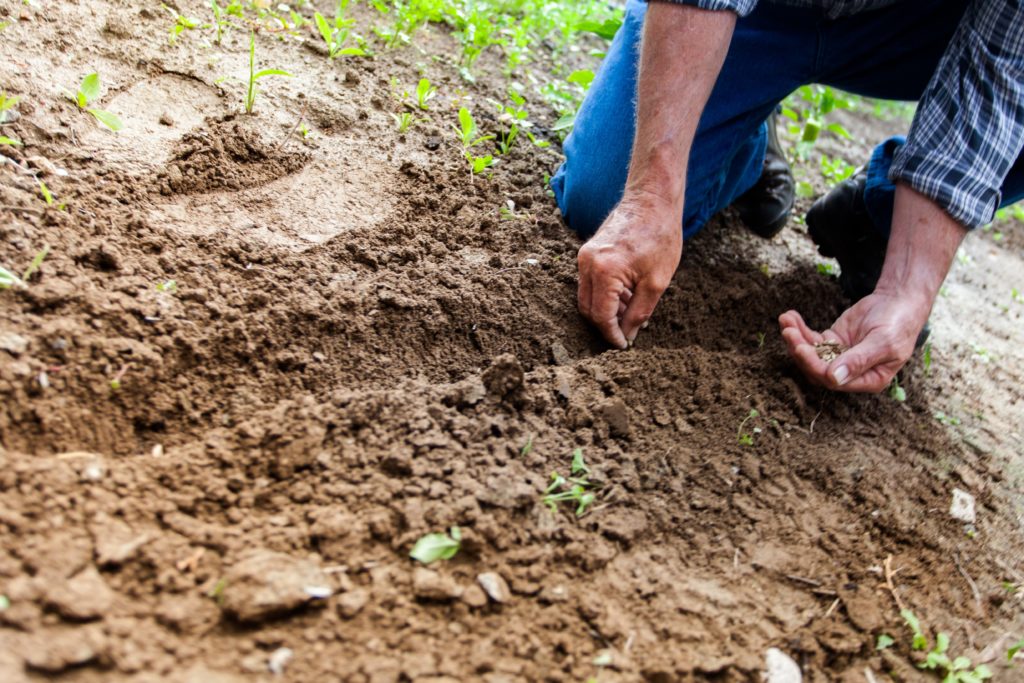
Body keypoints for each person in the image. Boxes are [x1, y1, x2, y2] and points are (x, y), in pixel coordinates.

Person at [551, 0, 1024, 393]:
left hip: (920, 26)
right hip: (762, 12)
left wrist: (907, 288)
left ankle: (878, 216)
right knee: (605, 197)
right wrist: (650, 197)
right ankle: (745, 137)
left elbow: (1002, 72)